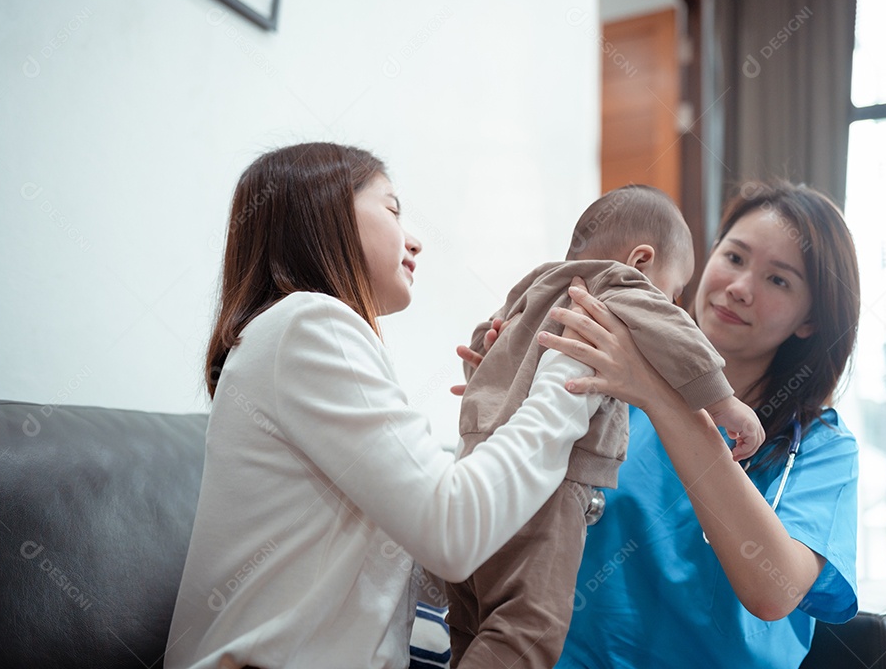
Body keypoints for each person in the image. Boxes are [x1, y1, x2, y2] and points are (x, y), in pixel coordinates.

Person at [163, 142, 614, 669]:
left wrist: (504, 409)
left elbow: (435, 562)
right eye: (393, 208)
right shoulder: (309, 324)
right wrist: (568, 374)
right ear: (325, 213)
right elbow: (452, 532)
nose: (415, 240)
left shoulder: (295, 338)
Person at [545, 180, 862, 668]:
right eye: (734, 257)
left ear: (810, 320)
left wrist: (664, 398)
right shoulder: (609, 380)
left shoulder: (822, 449)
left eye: (778, 280)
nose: (739, 288)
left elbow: (773, 592)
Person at [445, 186, 765, 668]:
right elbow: (679, 340)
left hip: (475, 471)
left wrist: (485, 378)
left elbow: (483, 343)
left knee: (470, 618)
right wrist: (725, 405)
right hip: (547, 491)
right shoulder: (621, 284)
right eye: (673, 291)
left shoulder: (537, 284)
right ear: (642, 261)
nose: (674, 305)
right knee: (529, 627)